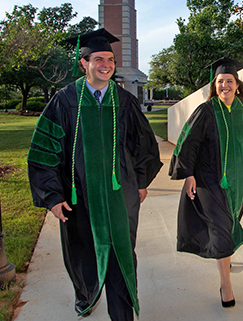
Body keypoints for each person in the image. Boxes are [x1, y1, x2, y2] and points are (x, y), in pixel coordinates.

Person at [27, 28, 162, 320]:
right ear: (83, 63)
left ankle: (122, 314)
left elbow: (144, 144)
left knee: (120, 255)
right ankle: (86, 294)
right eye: (98, 59)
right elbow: (45, 150)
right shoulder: (64, 101)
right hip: (80, 196)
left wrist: (140, 181)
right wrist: (52, 196)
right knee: (84, 254)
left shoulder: (124, 101)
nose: (106, 65)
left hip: (119, 194)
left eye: (110, 60)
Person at [169, 57, 243, 307]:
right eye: (220, 81)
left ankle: (226, 256)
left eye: (229, 81)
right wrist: (189, 174)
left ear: (237, 84)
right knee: (220, 229)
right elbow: (189, 143)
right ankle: (225, 285)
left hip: (241, 181)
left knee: (230, 223)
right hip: (210, 181)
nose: (225, 85)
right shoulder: (206, 111)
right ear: (214, 85)